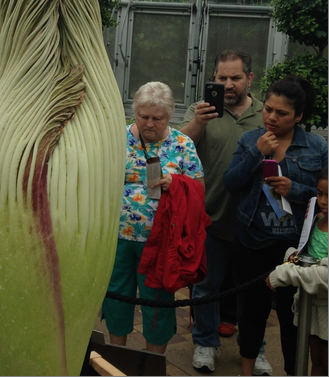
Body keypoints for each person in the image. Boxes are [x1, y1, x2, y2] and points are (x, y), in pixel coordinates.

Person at [223, 75, 328, 376]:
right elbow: (231, 183)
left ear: (299, 116)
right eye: (268, 109)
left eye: (281, 113)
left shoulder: (316, 146)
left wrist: (293, 188)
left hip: (295, 247)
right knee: (251, 313)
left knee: (292, 318)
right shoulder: (250, 140)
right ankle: (246, 371)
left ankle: (293, 372)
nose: (271, 117)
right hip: (251, 242)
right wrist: (257, 152)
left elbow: (324, 197)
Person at [179, 49, 272, 375]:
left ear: (249, 78)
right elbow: (179, 148)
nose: (228, 84)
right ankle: (205, 342)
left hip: (254, 221)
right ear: (213, 78)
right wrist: (197, 122)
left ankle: (255, 348)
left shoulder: (266, 113)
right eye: (222, 78)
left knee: (255, 290)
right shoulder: (200, 110)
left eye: (235, 78)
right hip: (209, 216)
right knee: (206, 286)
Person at [101, 81, 204, 354]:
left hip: (159, 242)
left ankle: (152, 363)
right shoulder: (117, 139)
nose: (149, 124)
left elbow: (199, 188)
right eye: (143, 117)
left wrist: (177, 182)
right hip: (117, 238)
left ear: (169, 116)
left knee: (157, 302)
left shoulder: (182, 144)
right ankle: (116, 357)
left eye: (156, 118)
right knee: (116, 298)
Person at [266, 168, 328, 376]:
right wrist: (292, 256)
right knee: (315, 359)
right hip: (311, 306)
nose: (324, 201)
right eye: (320, 194)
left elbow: (324, 274)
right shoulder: (317, 220)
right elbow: (306, 255)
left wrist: (283, 275)